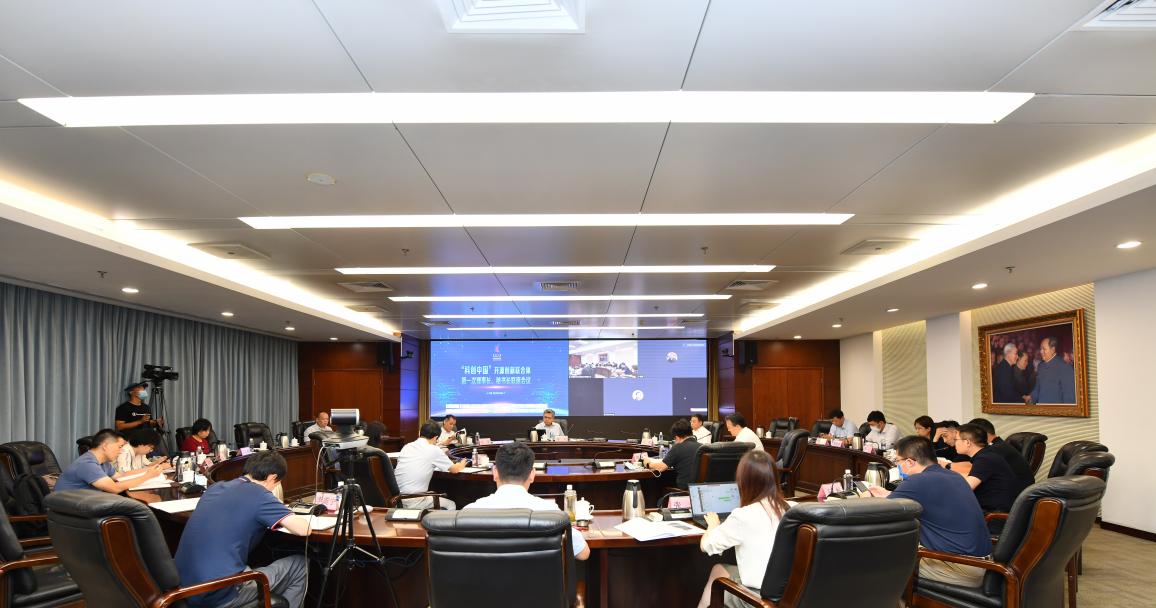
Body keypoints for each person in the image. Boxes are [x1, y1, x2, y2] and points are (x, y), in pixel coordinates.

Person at [174, 450, 310, 608]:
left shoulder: (215, 487)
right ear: (272, 478)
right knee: (301, 565)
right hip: (217, 593)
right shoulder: (260, 494)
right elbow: (303, 529)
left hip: (184, 587)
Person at [868, 436, 992, 587]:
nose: (897, 465)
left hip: (959, 568)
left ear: (909, 462)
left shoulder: (917, 481)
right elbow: (927, 498)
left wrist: (865, 496)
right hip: (982, 564)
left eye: (898, 461)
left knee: (878, 561)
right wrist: (889, 495)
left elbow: (881, 513)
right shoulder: (954, 476)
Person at [462, 442, 590, 560]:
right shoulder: (552, 513)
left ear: (495, 472)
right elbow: (583, 553)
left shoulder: (468, 513)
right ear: (532, 474)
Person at [696, 450, 790, 608]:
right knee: (720, 569)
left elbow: (706, 545)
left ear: (743, 482)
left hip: (758, 600)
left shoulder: (743, 515)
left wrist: (713, 525)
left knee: (718, 572)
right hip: (789, 596)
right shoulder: (791, 510)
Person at [950, 424, 1029, 524]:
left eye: (956, 439)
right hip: (996, 510)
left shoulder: (985, 459)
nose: (954, 443)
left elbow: (965, 488)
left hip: (994, 516)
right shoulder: (987, 453)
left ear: (967, 442)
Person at [54, 429, 164, 493]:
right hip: (68, 510)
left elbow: (121, 476)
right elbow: (114, 488)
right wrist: (148, 476)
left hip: (83, 502)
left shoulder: (103, 463)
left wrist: (149, 470)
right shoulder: (87, 463)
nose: (121, 451)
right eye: (119, 447)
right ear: (105, 446)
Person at [394, 420, 467, 509]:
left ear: (419, 433)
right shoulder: (433, 449)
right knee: (451, 505)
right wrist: (463, 463)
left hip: (397, 500)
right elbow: (455, 469)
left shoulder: (407, 447)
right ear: (436, 438)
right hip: (414, 500)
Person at [967, 418, 1035, 487]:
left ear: (982, 434)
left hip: (1017, 490)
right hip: (1021, 488)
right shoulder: (999, 445)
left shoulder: (993, 450)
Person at [644, 419, 701, 490]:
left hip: (684, 490)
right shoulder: (702, 447)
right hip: (701, 489)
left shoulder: (678, 447)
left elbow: (660, 468)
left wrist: (648, 464)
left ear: (677, 437)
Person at [1029, 336, 1076, 404]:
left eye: (1044, 349)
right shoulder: (1040, 366)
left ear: (1052, 350)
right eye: (1040, 349)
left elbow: (1070, 398)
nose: (1041, 351)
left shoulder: (1065, 367)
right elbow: (1037, 388)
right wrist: (1031, 397)